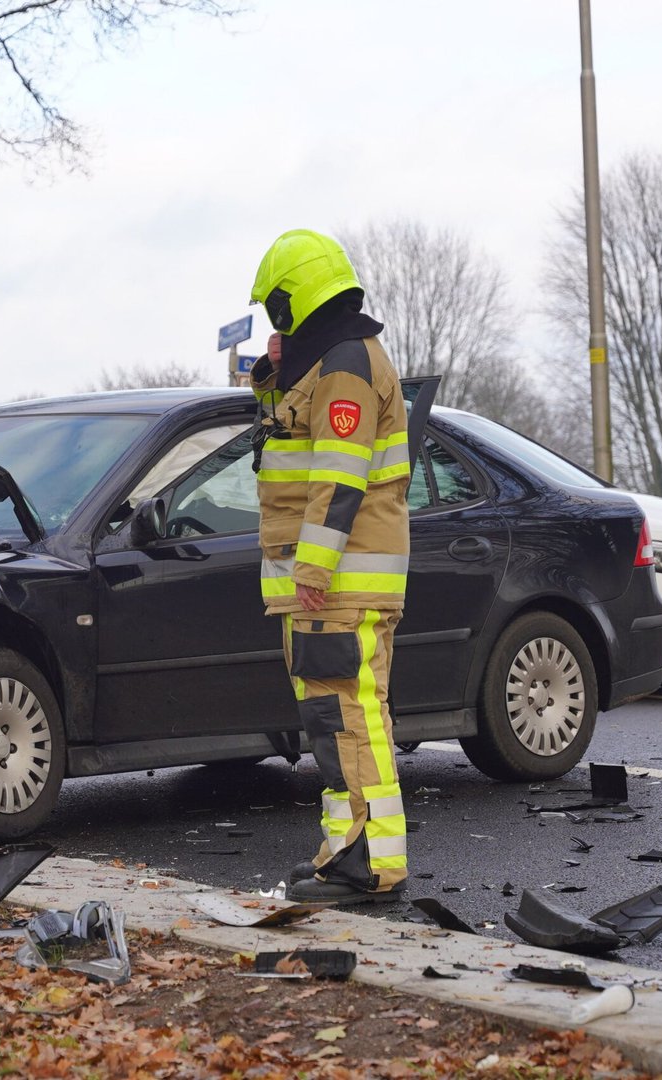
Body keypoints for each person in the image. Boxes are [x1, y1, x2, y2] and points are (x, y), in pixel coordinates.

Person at [247, 229, 412, 904]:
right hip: (322, 584)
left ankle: (372, 864)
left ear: (295, 298)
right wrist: (268, 377)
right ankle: (343, 853)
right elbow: (289, 438)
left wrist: (313, 569)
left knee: (351, 716)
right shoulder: (328, 361)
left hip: (337, 582)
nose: (272, 321)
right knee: (331, 723)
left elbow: (339, 478)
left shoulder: (346, 364)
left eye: (274, 308)